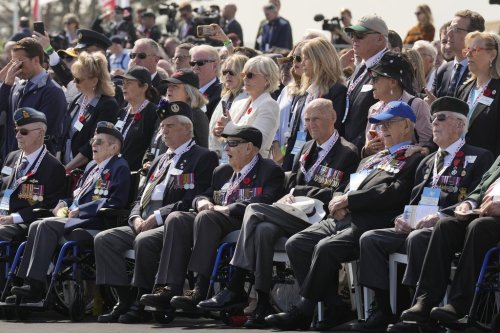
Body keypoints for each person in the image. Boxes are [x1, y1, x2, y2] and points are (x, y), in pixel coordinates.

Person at [195, 99, 359, 329]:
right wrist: (289, 193)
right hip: (294, 213)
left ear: (333, 118)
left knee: (253, 209)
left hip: (319, 218)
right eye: (308, 120)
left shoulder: (347, 152)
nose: (311, 124)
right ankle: (262, 302)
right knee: (263, 230)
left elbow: (337, 194)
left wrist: (297, 191)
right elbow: (291, 181)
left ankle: (236, 284)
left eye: (317, 119)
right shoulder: (305, 148)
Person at [266, 101, 425, 330]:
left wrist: (350, 201)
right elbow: (347, 185)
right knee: (297, 243)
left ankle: (305, 308)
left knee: (325, 248)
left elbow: (394, 193)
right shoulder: (372, 158)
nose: (384, 129)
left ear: (407, 126)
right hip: (341, 217)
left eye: (390, 123)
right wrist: (337, 200)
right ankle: (334, 307)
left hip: (370, 222)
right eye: (381, 125)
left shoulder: (414, 158)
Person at [356, 97, 493, 332]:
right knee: (370, 239)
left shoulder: (479, 157)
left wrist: (439, 216)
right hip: (416, 224)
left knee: (417, 239)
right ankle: (384, 309)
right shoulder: (427, 160)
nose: (434, 123)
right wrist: (402, 218)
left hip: (449, 227)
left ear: (460, 125)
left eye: (441, 118)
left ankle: (418, 314)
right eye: (432, 119)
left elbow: (475, 199)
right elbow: (414, 199)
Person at [95, 102, 218, 324]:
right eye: (162, 127)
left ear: (187, 129)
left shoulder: (203, 157)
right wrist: (135, 217)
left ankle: (141, 303)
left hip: (171, 225)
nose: (164, 131)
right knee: (104, 239)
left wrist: (157, 216)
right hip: (143, 221)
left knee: (144, 240)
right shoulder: (160, 160)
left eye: (170, 126)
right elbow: (139, 197)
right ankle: (125, 299)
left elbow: (195, 198)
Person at [139, 126, 284, 314]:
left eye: (232, 144)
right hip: (212, 219)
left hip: (243, 222)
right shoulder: (222, 171)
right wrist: (202, 202)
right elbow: (203, 194)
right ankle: (170, 287)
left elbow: (266, 201)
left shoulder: (269, 170)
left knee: (207, 217)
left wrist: (228, 209)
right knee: (176, 218)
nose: (226, 149)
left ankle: (200, 289)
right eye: (226, 144)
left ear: (249, 147)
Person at [7, 122, 130, 304]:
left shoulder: (119, 166)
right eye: (93, 141)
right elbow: (77, 196)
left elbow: (116, 201)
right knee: (37, 224)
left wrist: (82, 210)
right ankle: (27, 281)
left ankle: (35, 284)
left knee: (46, 224)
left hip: (93, 223)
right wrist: (64, 202)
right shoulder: (91, 167)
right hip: (74, 218)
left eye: (99, 142)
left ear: (113, 147)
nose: (93, 145)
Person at [391, 157, 500, 333]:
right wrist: (468, 203)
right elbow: (481, 187)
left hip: (492, 222)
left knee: (478, 227)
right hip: (483, 212)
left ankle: (459, 304)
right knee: (445, 225)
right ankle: (425, 301)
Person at [0, 108, 66, 243]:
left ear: (40, 133)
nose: (18, 135)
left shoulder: (54, 167)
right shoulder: (11, 157)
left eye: (23, 131)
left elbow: (49, 206)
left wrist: (15, 218)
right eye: (16, 130)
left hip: (24, 223)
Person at [282, 37, 347, 170]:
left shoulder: (336, 90)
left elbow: (334, 128)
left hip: (320, 158)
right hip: (296, 155)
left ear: (320, 60)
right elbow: (296, 129)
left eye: (306, 58)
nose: (303, 63)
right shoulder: (305, 90)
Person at [0, 37, 67, 158]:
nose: (16, 68)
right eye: (13, 63)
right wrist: (6, 86)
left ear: (36, 60)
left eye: (20, 63)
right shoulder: (16, 87)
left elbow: (44, 135)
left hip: (34, 165)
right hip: (10, 161)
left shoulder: (52, 92)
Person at [363, 51, 432, 158]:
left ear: (393, 82)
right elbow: (367, 146)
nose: (371, 83)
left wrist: (408, 153)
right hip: (377, 170)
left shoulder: (417, 105)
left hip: (404, 170)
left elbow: (427, 146)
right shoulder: (374, 109)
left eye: (375, 78)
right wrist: (367, 150)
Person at [213, 56, 280, 158]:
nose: (244, 79)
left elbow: (258, 141)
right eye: (243, 75)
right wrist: (219, 131)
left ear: (267, 80)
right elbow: (227, 136)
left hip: (254, 167)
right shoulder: (240, 103)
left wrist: (228, 127)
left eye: (250, 75)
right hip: (232, 163)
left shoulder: (269, 105)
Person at [63, 52, 118, 171]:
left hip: (85, 170)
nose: (74, 83)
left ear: (94, 81)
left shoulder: (107, 105)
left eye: (78, 80)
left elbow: (94, 143)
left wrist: (67, 168)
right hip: (66, 168)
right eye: (74, 78)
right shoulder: (78, 99)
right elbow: (63, 133)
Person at [341, 14, 388, 151]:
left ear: (379, 38)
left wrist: (364, 146)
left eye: (360, 35)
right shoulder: (361, 66)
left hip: (373, 150)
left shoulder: (389, 68)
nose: (354, 39)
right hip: (353, 148)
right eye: (352, 34)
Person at [457, 31, 500, 156]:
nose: (468, 55)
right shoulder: (463, 89)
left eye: (475, 50)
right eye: (467, 50)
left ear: (492, 55)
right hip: (459, 166)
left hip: (488, 167)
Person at [429, 10, 485, 101]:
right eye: (449, 28)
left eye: (455, 29)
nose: (449, 34)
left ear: (472, 36)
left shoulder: (482, 71)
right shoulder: (442, 71)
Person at [115, 66, 159, 171]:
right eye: (123, 83)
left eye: (129, 83)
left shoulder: (154, 113)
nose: (124, 87)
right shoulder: (122, 111)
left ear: (144, 87)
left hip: (135, 175)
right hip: (116, 172)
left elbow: (154, 145)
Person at [209, 55, 249, 158]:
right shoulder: (226, 96)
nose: (227, 76)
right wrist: (216, 131)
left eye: (232, 72)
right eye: (224, 72)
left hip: (239, 156)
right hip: (220, 155)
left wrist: (225, 130)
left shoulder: (248, 98)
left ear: (243, 74)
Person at [273, 41, 306, 165]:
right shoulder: (286, 90)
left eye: (298, 59)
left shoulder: (313, 91)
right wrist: (276, 147)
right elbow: (274, 121)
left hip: (300, 156)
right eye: (286, 64)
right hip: (279, 157)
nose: (288, 68)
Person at [162, 69, 210, 148]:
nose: (169, 89)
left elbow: (202, 151)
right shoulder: (165, 113)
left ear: (188, 93)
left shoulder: (196, 116)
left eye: (175, 86)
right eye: (169, 85)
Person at [189, 45, 222, 120]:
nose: (195, 67)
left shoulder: (221, 93)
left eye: (200, 63)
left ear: (215, 65)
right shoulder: (187, 90)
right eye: (192, 63)